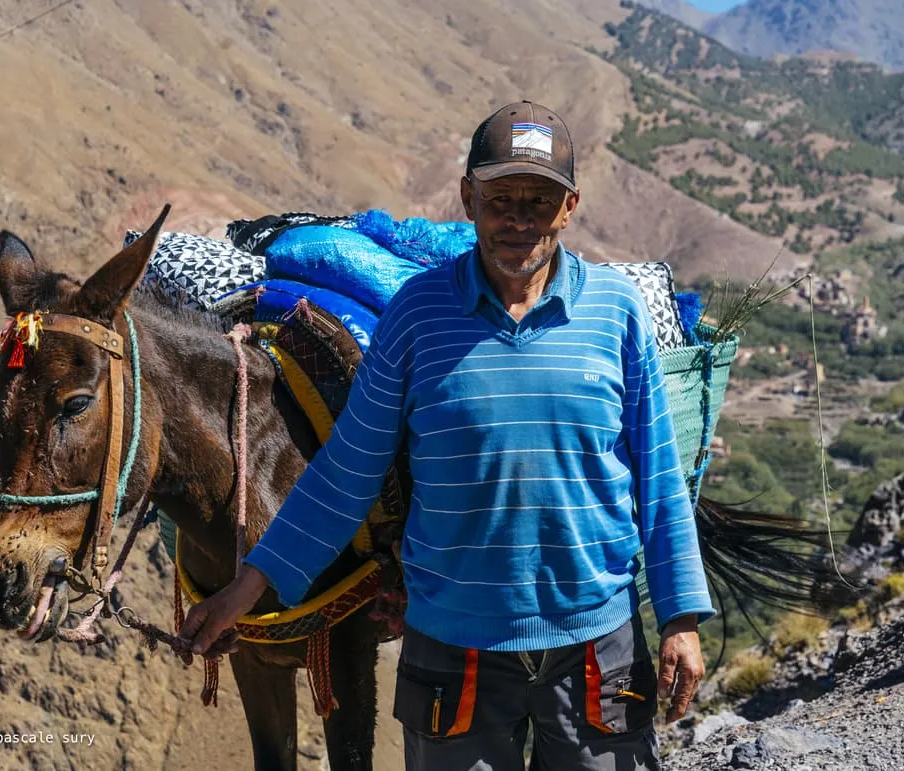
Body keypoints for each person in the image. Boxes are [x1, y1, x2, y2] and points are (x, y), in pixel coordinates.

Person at [181, 100, 713, 770]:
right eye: (501, 198)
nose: (521, 219)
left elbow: (660, 479)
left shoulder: (615, 313)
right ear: (468, 196)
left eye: (540, 200)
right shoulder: (417, 316)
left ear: (570, 206)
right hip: (453, 656)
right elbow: (348, 471)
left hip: (594, 648)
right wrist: (246, 588)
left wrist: (681, 620)